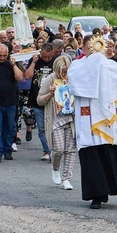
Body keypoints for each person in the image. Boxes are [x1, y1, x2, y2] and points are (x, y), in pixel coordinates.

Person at [68, 36, 117, 209]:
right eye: (89, 48)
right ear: (84, 48)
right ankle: (97, 194)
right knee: (93, 158)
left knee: (106, 154)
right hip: (88, 121)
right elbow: (75, 84)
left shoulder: (111, 66)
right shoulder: (78, 66)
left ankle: (104, 192)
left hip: (107, 120)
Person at [37, 55, 76, 190]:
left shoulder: (73, 78)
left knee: (70, 150)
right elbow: (39, 99)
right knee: (58, 149)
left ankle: (66, 178)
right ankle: (55, 168)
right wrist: (50, 93)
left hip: (71, 119)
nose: (64, 74)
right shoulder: (51, 78)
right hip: (56, 120)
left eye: (66, 71)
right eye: (62, 71)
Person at [24, 43, 56, 161]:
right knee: (41, 128)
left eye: (49, 57)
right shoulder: (35, 61)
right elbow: (27, 76)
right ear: (40, 52)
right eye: (44, 56)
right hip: (37, 99)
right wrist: (33, 62)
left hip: (53, 100)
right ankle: (46, 150)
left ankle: (53, 150)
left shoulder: (55, 62)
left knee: (52, 127)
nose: (47, 59)